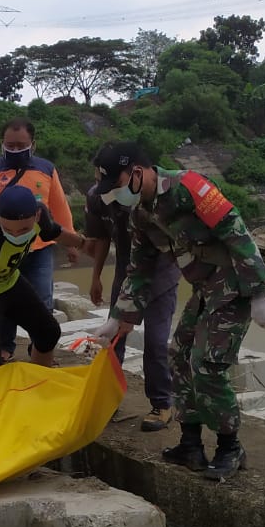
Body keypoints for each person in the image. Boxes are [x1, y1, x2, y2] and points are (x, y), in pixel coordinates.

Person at [93, 142, 265, 480]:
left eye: (117, 185)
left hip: (234, 284)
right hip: (206, 288)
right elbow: (139, 269)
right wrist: (119, 317)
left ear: (137, 172)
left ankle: (230, 447)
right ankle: (190, 443)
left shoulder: (189, 187)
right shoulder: (141, 213)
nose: (114, 194)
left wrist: (259, 292)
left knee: (207, 364)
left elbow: (236, 232)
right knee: (178, 355)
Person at [0, 118, 77, 360]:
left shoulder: (46, 169)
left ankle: (39, 350)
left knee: (42, 301)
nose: (15, 150)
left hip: (38, 247)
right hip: (3, 247)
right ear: (2, 144)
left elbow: (59, 207)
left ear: (33, 144)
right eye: (9, 145)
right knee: (3, 301)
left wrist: (73, 242)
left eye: (21, 145)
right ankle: (5, 348)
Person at [0, 185, 85, 385]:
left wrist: (84, 244)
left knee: (48, 332)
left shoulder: (41, 216)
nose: (15, 236)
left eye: (23, 230)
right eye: (8, 230)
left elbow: (55, 232)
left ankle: (38, 384)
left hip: (8, 280)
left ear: (37, 216)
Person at [84, 166, 178, 432]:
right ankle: (108, 399)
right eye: (101, 179)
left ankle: (162, 403)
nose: (106, 186)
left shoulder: (148, 196)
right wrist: (96, 277)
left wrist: (130, 313)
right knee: (112, 339)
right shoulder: (97, 197)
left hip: (161, 272)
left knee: (156, 342)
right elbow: (102, 239)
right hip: (126, 271)